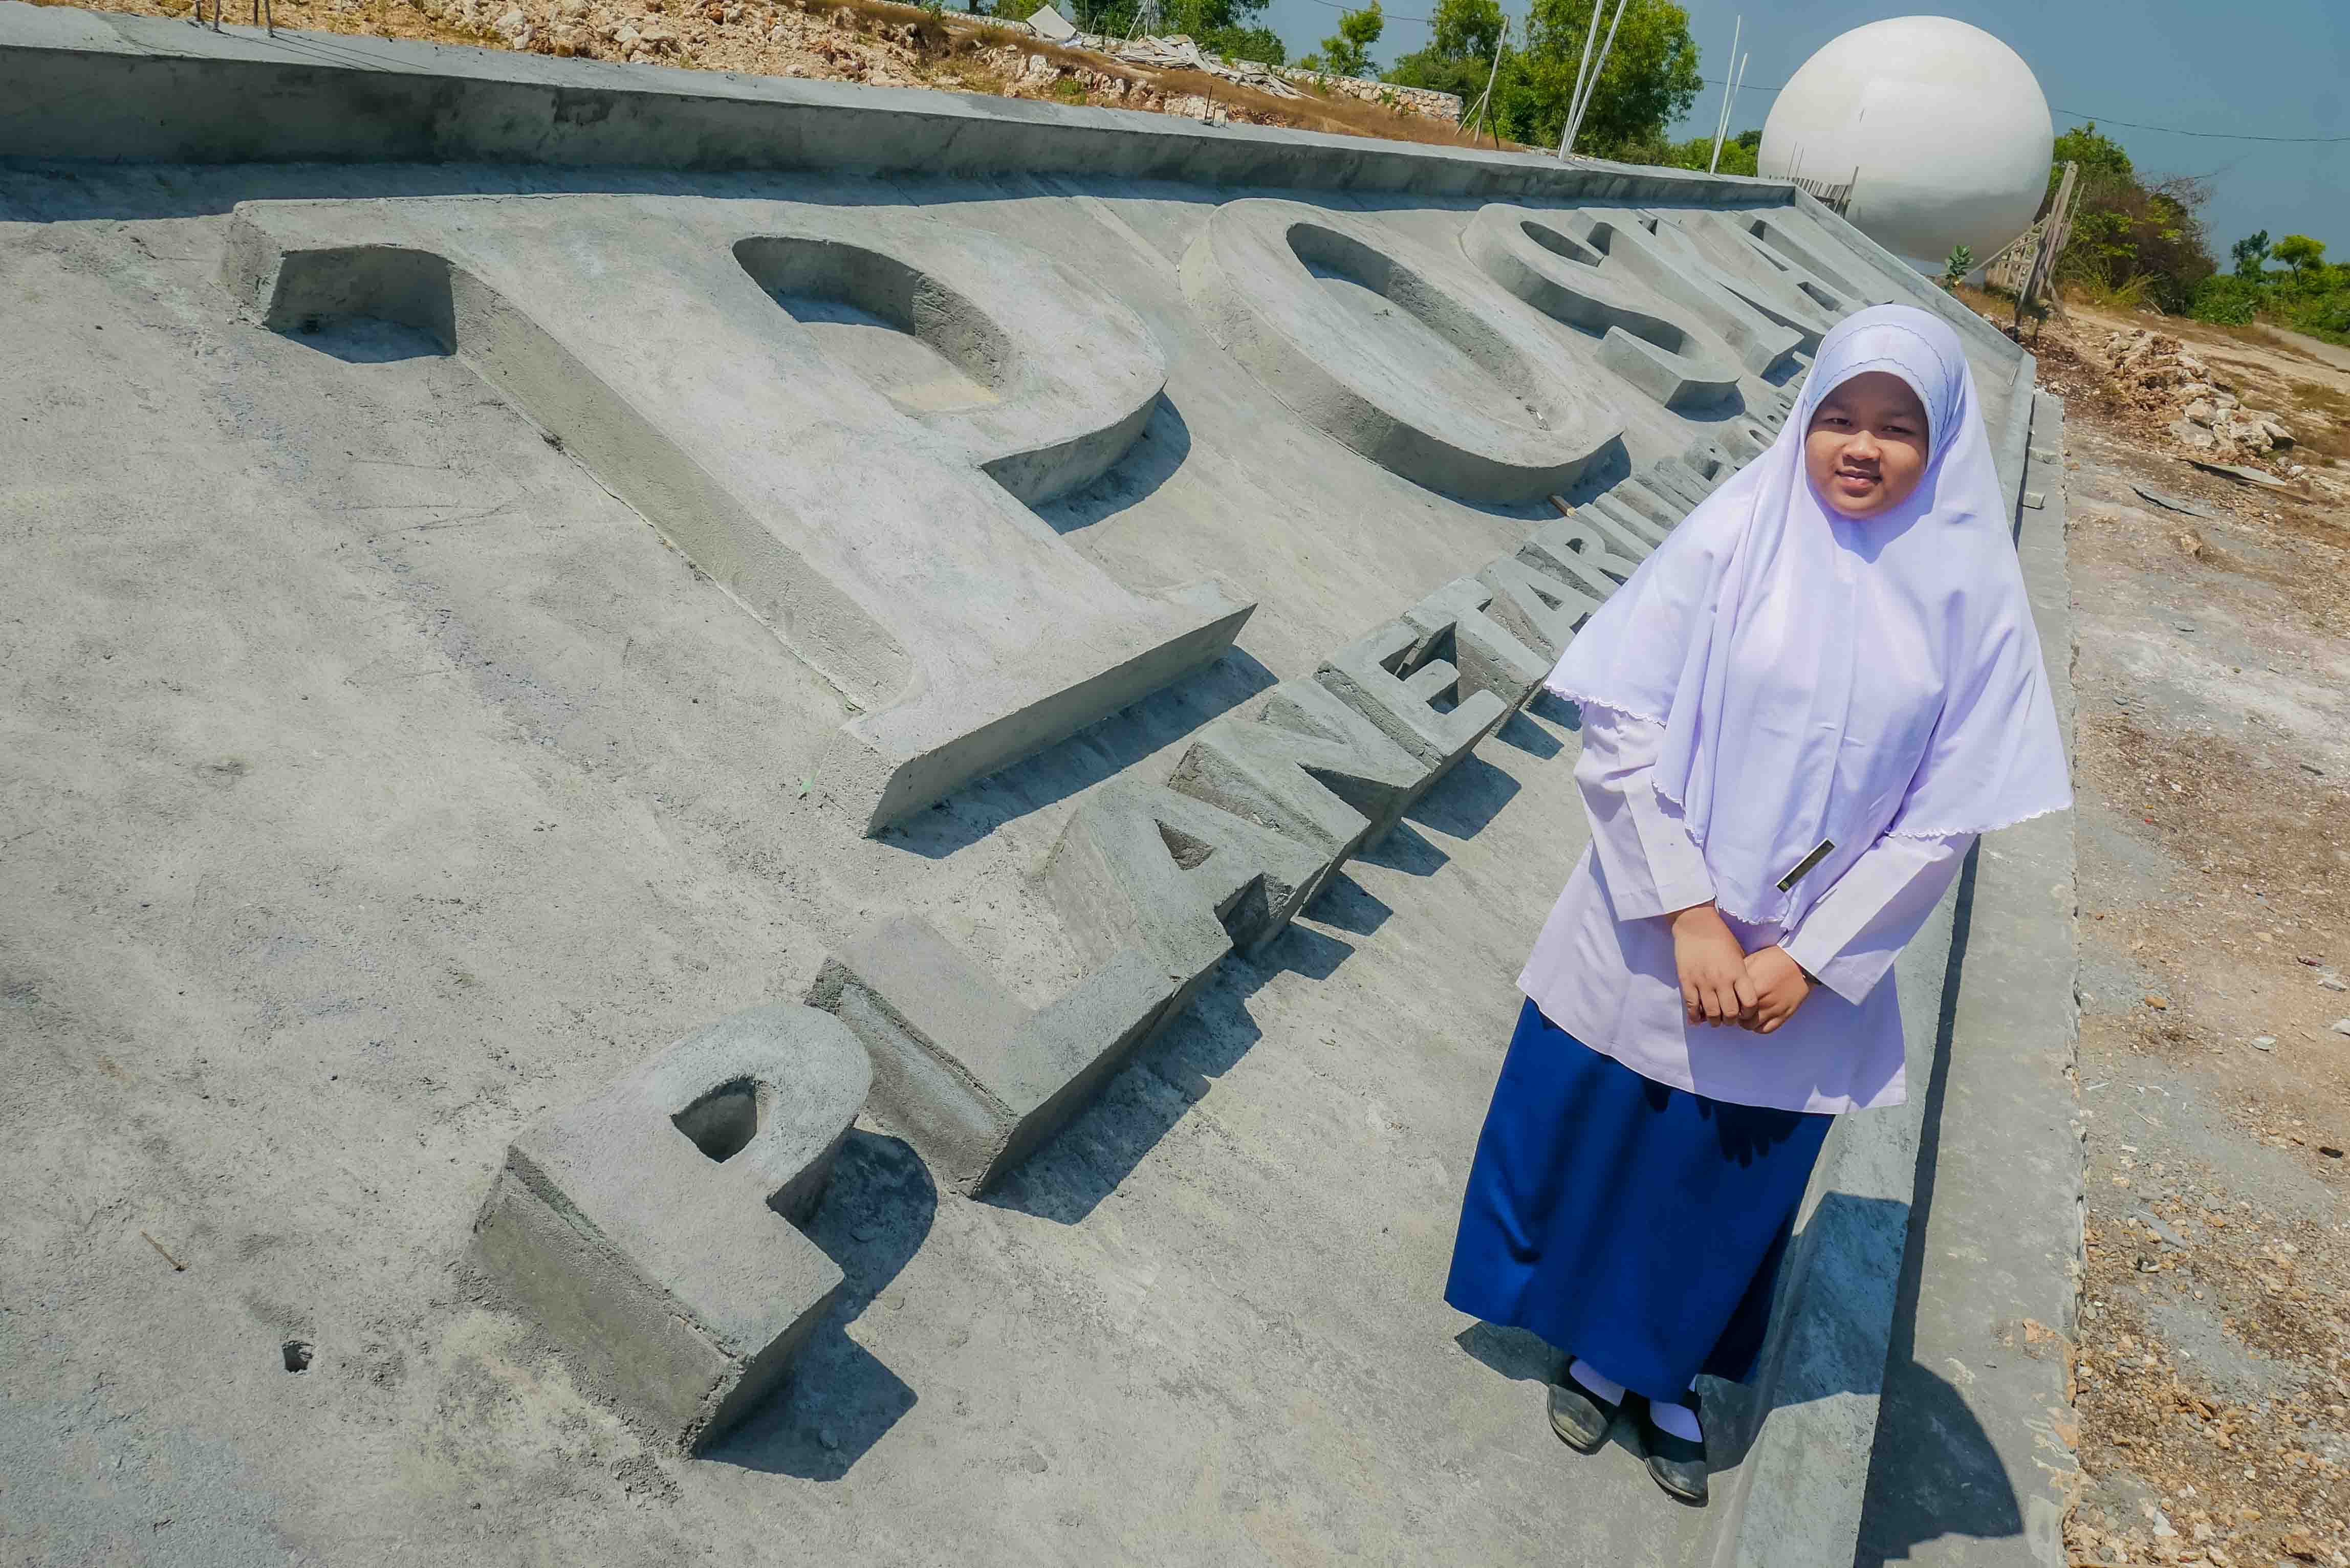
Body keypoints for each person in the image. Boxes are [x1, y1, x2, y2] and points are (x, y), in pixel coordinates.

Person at [1443, 303, 2071, 1505]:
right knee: (1610, 1124)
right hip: (1656, 920)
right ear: (1804, 418)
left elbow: (1945, 816)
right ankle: (1585, 1342)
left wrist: (1810, 959)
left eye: (1895, 427)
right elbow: (1620, 721)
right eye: (1838, 415)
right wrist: (1686, 911)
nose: (1859, 446)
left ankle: (1662, 1370)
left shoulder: (1971, 602)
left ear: (1940, 442)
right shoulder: (1733, 534)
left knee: (1721, 1171)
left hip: (1801, 970)